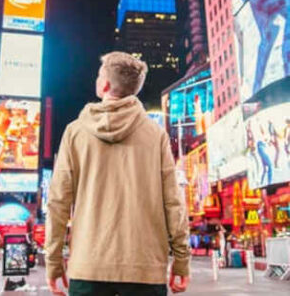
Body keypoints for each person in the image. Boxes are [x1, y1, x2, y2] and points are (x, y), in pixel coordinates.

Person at [45, 52, 191, 296]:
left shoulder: (75, 132)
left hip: (88, 268)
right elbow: (174, 203)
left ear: (104, 84)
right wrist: (181, 259)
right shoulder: (156, 135)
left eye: (100, 74)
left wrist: (53, 260)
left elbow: (58, 202)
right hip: (145, 269)